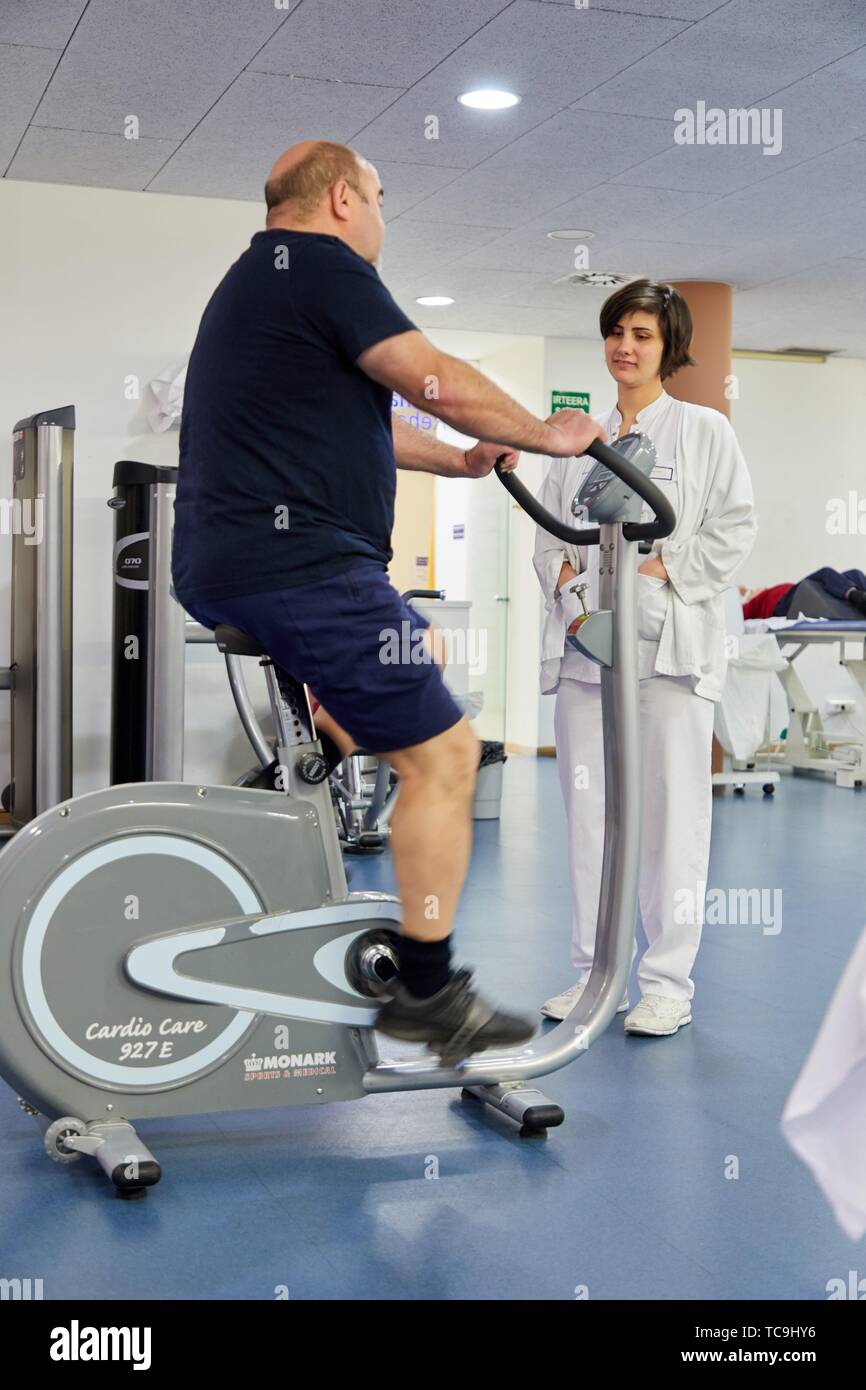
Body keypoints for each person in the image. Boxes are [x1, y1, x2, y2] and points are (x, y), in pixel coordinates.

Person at [172, 139, 606, 1061]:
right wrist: (545, 432)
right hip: (303, 567)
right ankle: (427, 993)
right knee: (449, 755)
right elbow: (430, 376)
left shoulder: (264, 280)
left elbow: (373, 416)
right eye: (377, 197)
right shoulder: (325, 267)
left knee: (420, 664)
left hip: (252, 563)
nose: (380, 217)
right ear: (340, 198)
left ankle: (324, 780)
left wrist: (457, 461)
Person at [534, 279, 757, 1037]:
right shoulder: (575, 436)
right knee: (589, 820)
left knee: (672, 822)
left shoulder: (701, 431)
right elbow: (550, 538)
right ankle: (593, 975)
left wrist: (658, 571)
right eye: (617, 331)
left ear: (669, 348)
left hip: (668, 654)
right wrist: (570, 594)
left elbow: (733, 528)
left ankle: (666, 983)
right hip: (586, 653)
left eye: (643, 335)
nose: (625, 346)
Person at [741, 570, 866, 620]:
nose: (755, 590)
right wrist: (745, 596)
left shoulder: (769, 591)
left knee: (854, 574)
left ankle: (859, 597)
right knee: (825, 573)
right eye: (752, 592)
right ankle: (855, 595)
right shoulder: (751, 606)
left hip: (805, 595)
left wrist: (747, 592)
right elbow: (736, 616)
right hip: (783, 606)